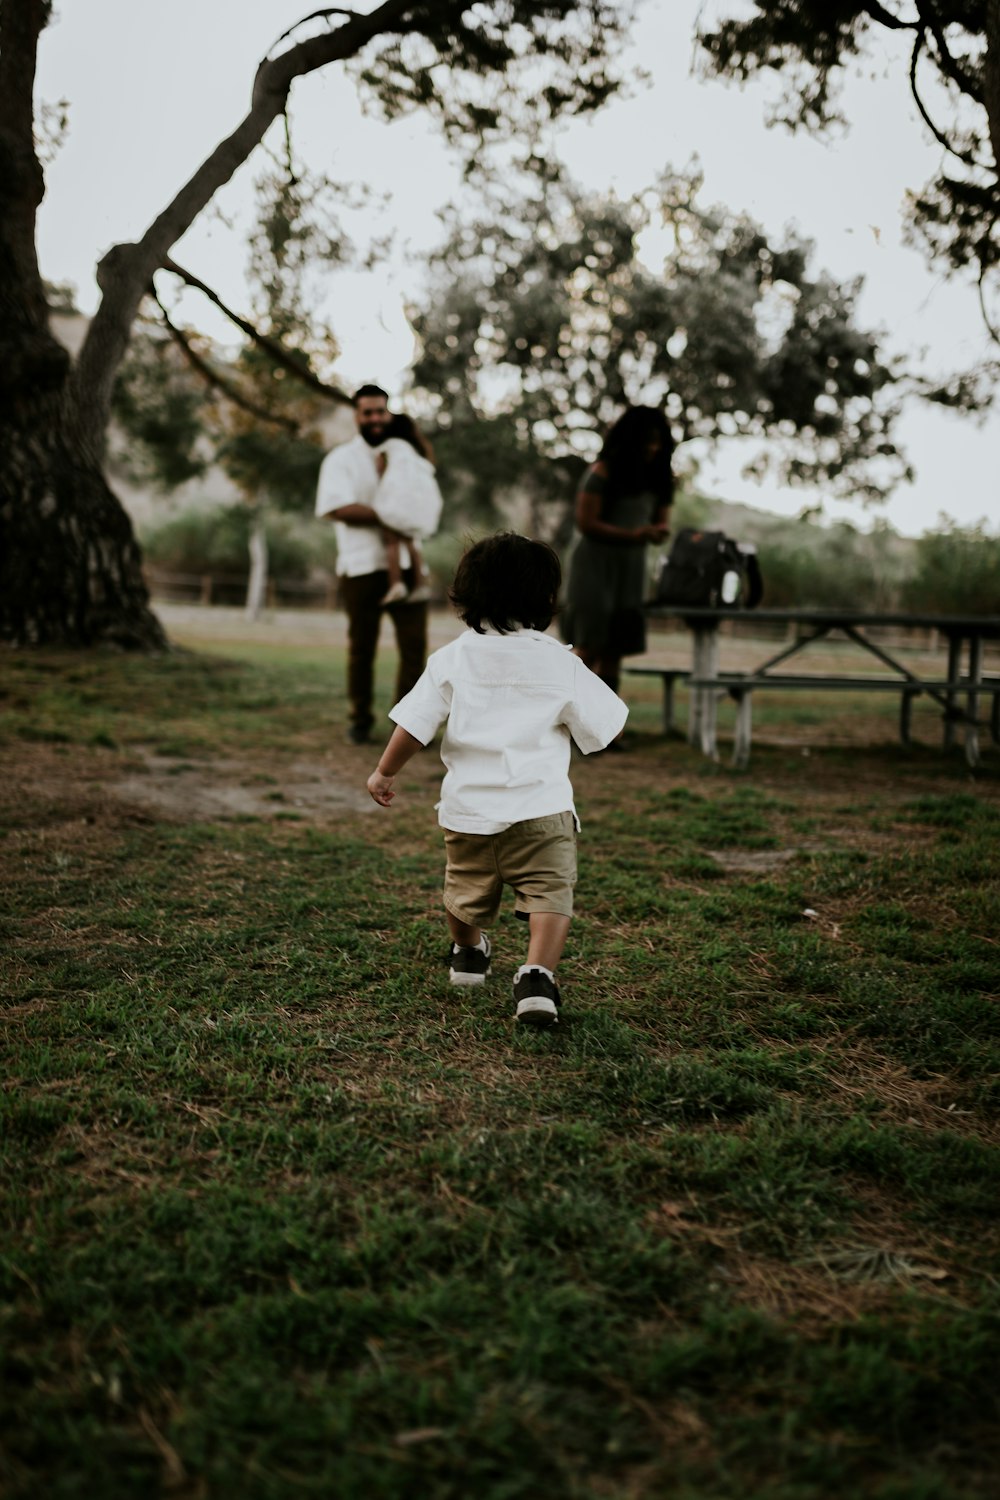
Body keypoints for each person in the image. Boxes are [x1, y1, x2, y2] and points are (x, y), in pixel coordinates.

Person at [366, 533, 628, 1029]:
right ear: (547, 600)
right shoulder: (558, 661)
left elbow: (414, 726)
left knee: (464, 893)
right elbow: (605, 729)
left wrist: (384, 772)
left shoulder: (451, 659)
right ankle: (536, 976)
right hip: (542, 813)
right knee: (551, 894)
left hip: (469, 813)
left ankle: (468, 953)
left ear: (465, 595)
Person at [315, 384, 437, 745]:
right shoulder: (340, 460)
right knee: (361, 647)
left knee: (415, 648)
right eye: (367, 412)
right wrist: (391, 517)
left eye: (380, 411)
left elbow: (421, 501)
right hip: (361, 567)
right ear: (356, 415)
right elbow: (338, 508)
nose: (374, 419)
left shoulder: (406, 455)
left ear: (389, 412)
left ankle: (407, 726)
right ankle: (360, 719)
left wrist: (407, 518)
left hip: (409, 563)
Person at [562, 405, 674, 710]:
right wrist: (634, 536)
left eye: (658, 441)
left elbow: (662, 520)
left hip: (632, 569)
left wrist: (659, 531)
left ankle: (605, 729)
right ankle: (565, 720)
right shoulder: (602, 472)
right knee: (588, 647)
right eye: (647, 441)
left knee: (614, 650)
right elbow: (586, 523)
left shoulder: (661, 480)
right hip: (595, 566)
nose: (653, 448)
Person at [374, 414, 442, 608]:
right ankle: (420, 584)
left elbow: (380, 469)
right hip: (414, 501)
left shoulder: (389, 446)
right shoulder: (417, 450)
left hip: (396, 498)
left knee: (391, 540)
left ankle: (396, 583)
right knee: (411, 540)